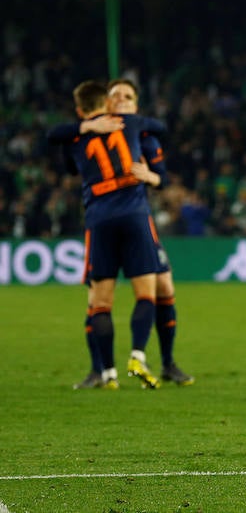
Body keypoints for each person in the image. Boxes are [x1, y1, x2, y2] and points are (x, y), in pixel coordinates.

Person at [73, 79, 194, 388]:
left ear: (136, 106)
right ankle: (98, 369)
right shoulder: (88, 136)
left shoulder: (144, 137)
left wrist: (151, 176)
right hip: (106, 220)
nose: (122, 101)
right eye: (116, 96)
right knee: (98, 297)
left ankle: (167, 363)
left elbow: (164, 180)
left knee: (165, 288)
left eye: (128, 97)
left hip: (140, 221)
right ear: (106, 104)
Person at [48, 80, 168, 389]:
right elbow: (162, 127)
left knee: (99, 303)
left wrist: (85, 127)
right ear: (108, 102)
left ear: (79, 109)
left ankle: (107, 373)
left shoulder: (73, 135)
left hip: (99, 220)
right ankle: (138, 355)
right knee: (146, 294)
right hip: (135, 216)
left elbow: (60, 152)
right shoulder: (132, 123)